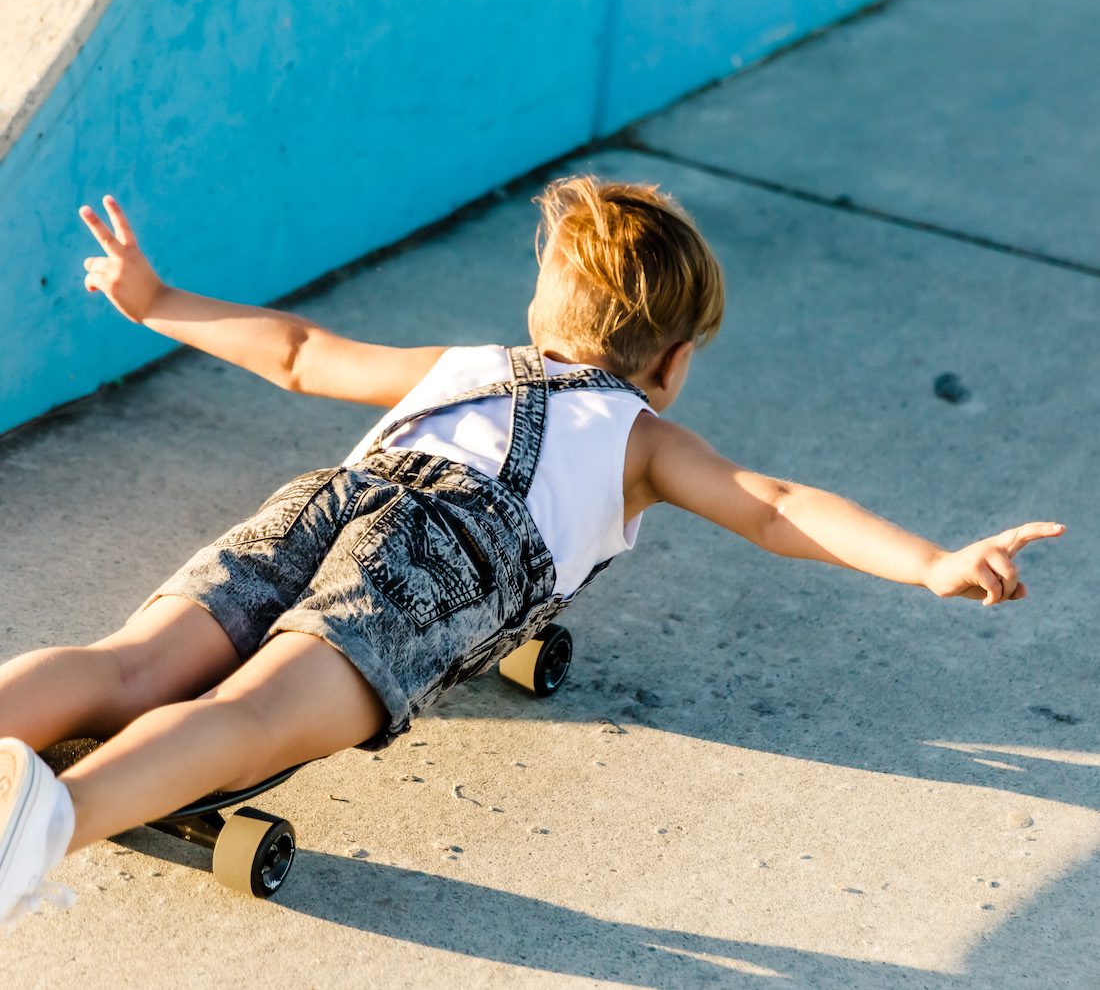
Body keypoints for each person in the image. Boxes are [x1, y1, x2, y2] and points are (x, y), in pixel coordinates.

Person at [0, 177, 1063, 924]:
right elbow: (772, 505)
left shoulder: (466, 364)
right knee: (250, 715)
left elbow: (295, 352)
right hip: (440, 562)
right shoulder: (642, 437)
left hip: (330, 499)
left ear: (538, 312)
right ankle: (49, 826)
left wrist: (155, 300)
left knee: (127, 665)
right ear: (677, 359)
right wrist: (927, 559)